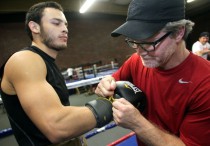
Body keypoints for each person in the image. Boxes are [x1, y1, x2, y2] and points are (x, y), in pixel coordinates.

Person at [95, 0, 210, 145]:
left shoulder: (205, 83)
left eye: (149, 42)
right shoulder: (136, 61)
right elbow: (111, 83)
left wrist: (137, 123)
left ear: (179, 32)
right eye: (134, 41)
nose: (139, 51)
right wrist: (105, 85)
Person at [0, 1, 113, 146]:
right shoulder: (24, 60)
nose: (65, 29)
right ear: (35, 27)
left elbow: (62, 112)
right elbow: (58, 126)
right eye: (56, 23)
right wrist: (114, 102)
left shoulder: (46, 62)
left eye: (66, 24)